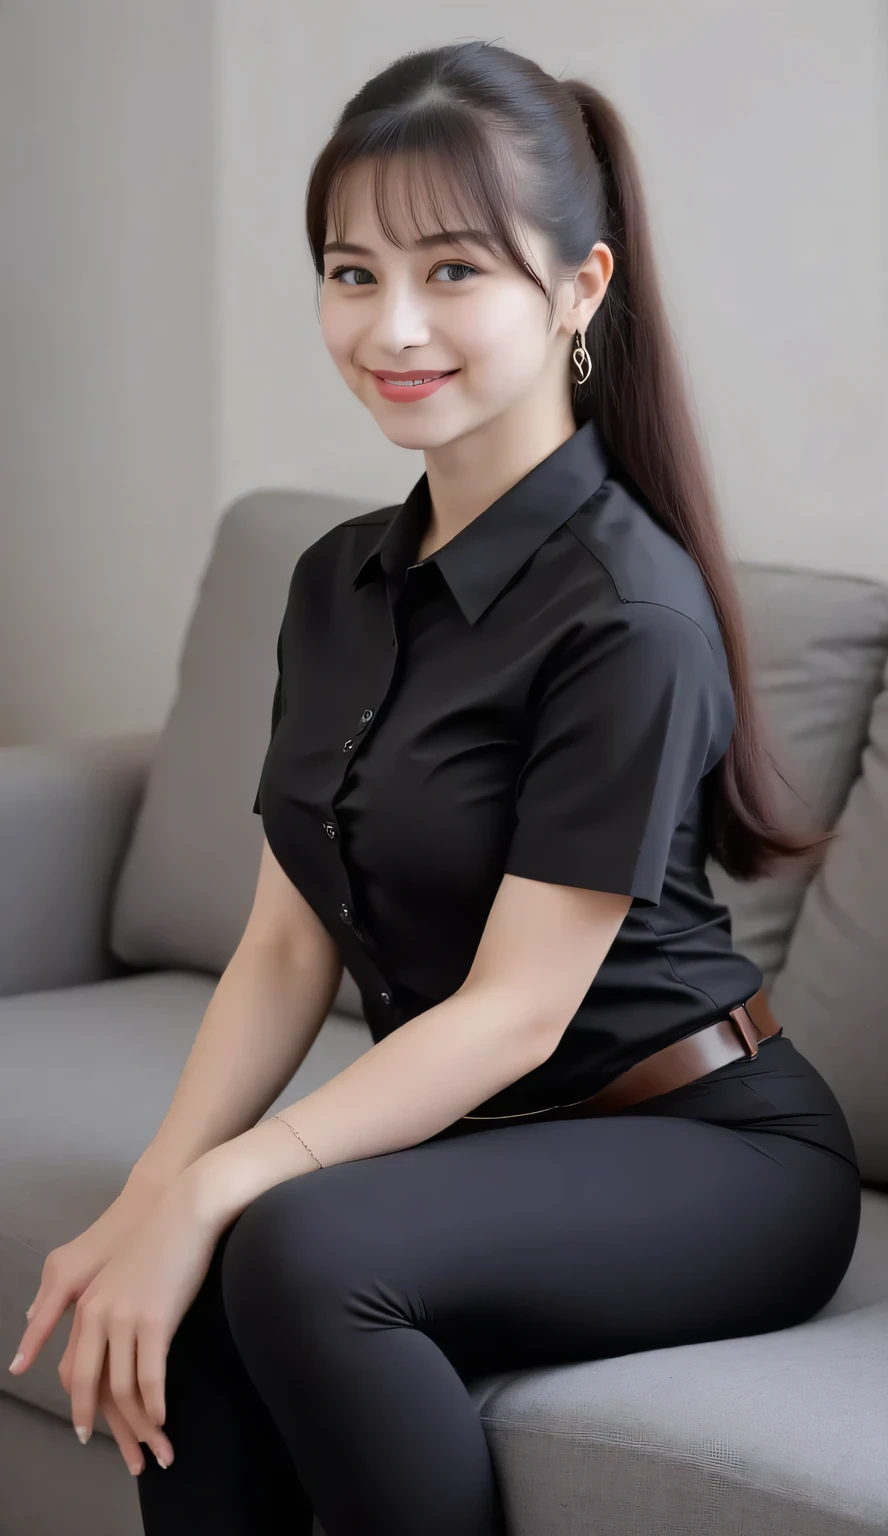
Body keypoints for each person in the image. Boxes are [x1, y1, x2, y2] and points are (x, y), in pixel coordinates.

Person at [13, 39, 861, 1536]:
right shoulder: (332, 581)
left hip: (710, 1150)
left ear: (579, 290)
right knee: (199, 1273)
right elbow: (288, 944)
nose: (392, 326)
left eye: (453, 270)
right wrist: (160, 1190)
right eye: (352, 273)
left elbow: (521, 1011)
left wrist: (226, 1189)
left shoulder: (627, 613)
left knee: (289, 1246)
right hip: (502, 1141)